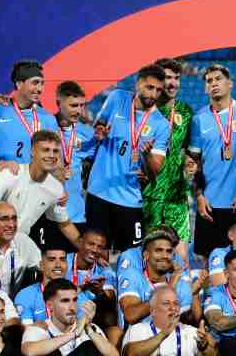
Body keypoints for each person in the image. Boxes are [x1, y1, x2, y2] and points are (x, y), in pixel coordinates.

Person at [87, 65, 170, 251]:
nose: (154, 94)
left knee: (131, 256)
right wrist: (100, 129)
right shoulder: (117, 97)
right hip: (99, 192)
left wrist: (147, 155)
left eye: (158, 90)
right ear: (138, 84)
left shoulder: (162, 125)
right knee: (97, 254)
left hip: (130, 199)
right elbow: (99, 122)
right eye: (150, 87)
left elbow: (155, 170)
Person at [188, 64, 236, 257]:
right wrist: (199, 196)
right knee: (208, 260)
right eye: (209, 81)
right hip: (210, 204)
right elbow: (194, 163)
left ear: (230, 84)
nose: (213, 84)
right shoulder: (199, 119)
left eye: (218, 79)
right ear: (205, 88)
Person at [0, 130, 80, 251]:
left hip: (18, 248)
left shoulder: (56, 188)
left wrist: (84, 248)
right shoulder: (10, 173)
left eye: (55, 151)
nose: (51, 155)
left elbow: (64, 224)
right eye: (45, 150)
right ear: (32, 152)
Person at [140, 58, 193, 252]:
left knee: (180, 258)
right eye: (167, 77)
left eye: (176, 78)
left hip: (176, 195)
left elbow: (191, 151)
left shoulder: (186, 112)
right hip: (149, 195)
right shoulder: (143, 111)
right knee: (149, 256)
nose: (172, 83)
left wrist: (189, 162)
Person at [116, 228, 205, 328]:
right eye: (159, 250)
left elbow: (192, 320)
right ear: (146, 254)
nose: (165, 255)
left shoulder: (178, 271)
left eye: (169, 251)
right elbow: (131, 316)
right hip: (141, 336)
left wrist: (194, 295)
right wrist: (168, 290)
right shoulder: (134, 269)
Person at [0, 59, 59, 170]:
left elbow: (57, 158)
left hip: (36, 182)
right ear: (19, 84)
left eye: (42, 84)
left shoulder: (49, 119)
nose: (40, 89)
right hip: (3, 180)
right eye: (35, 83)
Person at [51, 81, 96, 231]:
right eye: (73, 105)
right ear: (59, 103)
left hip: (76, 210)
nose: (78, 110)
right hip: (47, 208)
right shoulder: (46, 126)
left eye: (81, 105)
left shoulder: (87, 133)